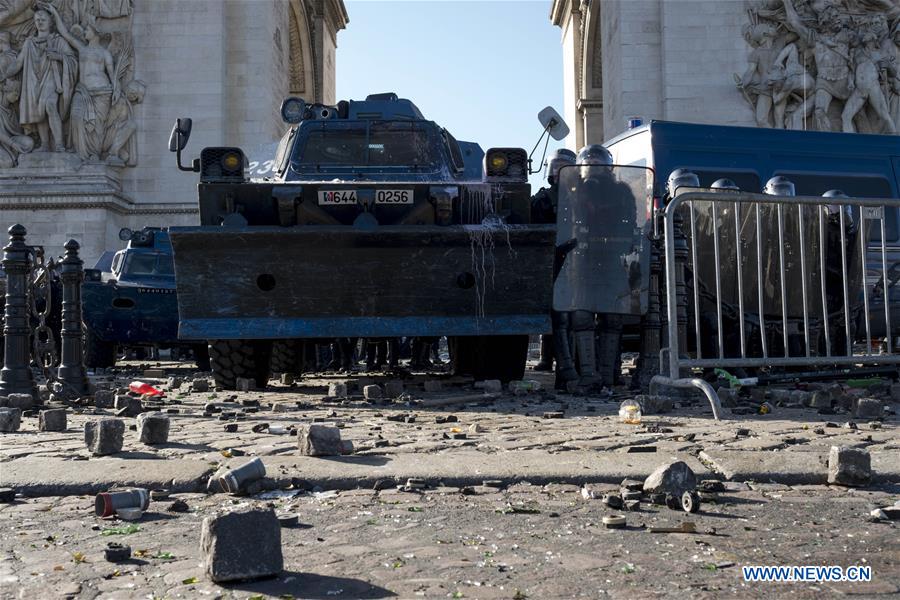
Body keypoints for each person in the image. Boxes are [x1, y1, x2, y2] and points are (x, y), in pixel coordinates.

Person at [44, 3, 117, 160]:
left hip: (101, 92)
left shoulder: (105, 54)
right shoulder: (82, 48)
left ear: (95, 33)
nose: (84, 32)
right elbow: (65, 34)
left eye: (87, 30)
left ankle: (94, 154)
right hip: (82, 91)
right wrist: (55, 13)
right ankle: (81, 154)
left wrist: (117, 90)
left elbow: (112, 74)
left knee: (96, 127)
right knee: (76, 117)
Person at [1, 7, 77, 152]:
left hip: (51, 79)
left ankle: (59, 144)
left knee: (49, 105)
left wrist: (59, 57)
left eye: (43, 19)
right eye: (37, 20)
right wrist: (5, 75)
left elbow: (72, 60)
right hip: (33, 81)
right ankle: (45, 144)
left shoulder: (58, 41)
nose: (40, 22)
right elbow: (18, 63)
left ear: (50, 22)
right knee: (38, 111)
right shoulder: (29, 42)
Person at [531, 148, 575, 372]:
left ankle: (570, 362)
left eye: (563, 167)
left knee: (575, 314)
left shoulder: (582, 196)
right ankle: (546, 358)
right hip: (552, 258)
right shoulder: (543, 198)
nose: (559, 172)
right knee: (552, 309)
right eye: (556, 167)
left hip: (579, 258)